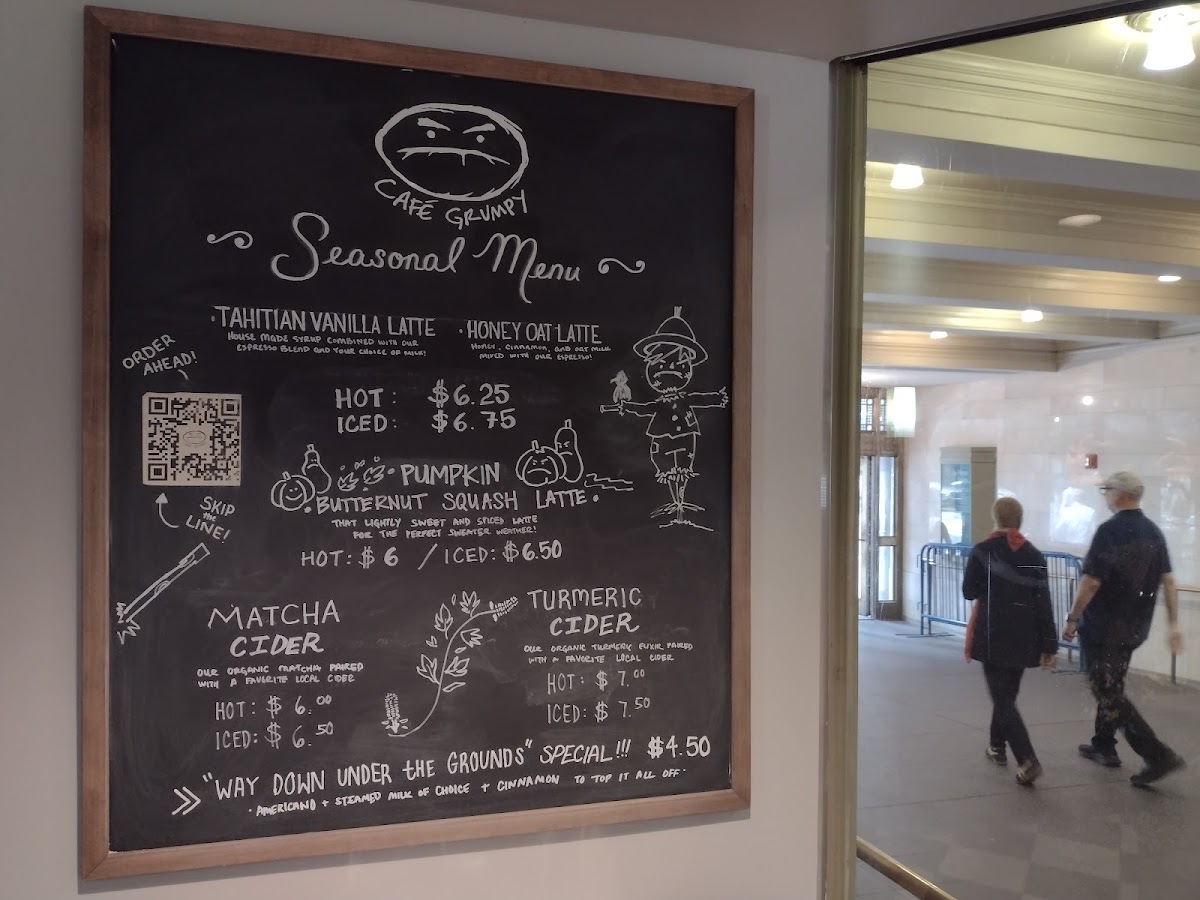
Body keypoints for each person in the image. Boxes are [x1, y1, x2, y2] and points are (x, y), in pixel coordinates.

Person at [1062, 471, 1187, 788]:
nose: (1104, 496)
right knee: (1111, 682)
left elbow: (1091, 582)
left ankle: (1156, 754)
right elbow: (1169, 581)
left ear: (1118, 494)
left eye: (1106, 490)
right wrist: (1173, 624)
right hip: (1134, 628)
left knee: (1106, 690)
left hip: (1103, 627)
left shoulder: (1109, 531)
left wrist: (1073, 618)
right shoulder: (1153, 532)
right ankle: (1104, 745)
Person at [963, 497, 1058, 786]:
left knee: (1002, 698)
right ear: (1020, 519)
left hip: (993, 633)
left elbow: (968, 591)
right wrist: (1049, 644)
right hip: (1025, 635)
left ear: (996, 518)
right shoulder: (1034, 555)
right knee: (1006, 695)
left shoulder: (983, 551)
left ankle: (1028, 759)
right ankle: (997, 746)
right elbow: (1043, 602)